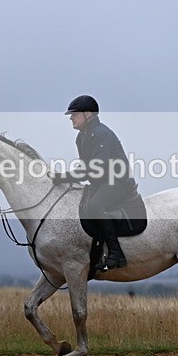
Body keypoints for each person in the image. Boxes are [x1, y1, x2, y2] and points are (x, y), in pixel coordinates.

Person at [65, 95, 138, 271]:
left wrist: (67, 176)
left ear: (88, 114)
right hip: (101, 182)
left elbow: (95, 168)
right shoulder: (81, 138)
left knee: (96, 205)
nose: (71, 118)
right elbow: (86, 167)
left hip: (118, 182)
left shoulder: (101, 134)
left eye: (75, 114)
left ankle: (116, 254)